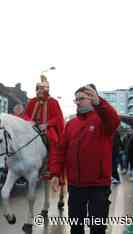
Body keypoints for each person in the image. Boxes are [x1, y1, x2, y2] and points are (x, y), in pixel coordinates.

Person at [50, 84, 120, 234]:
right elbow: (59, 150)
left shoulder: (103, 120)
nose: (78, 102)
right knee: (76, 227)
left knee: (97, 227)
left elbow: (114, 120)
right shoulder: (71, 125)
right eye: (76, 99)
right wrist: (55, 173)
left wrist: (99, 103)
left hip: (98, 185)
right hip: (76, 185)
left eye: (81, 98)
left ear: (92, 99)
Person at [23, 74, 64, 180]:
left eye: (42, 89)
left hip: (47, 128)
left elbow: (57, 117)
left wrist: (46, 124)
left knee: (53, 140)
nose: (39, 92)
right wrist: (29, 121)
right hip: (32, 126)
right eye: (38, 89)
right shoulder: (32, 101)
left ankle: (48, 168)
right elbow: (26, 114)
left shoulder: (53, 102)